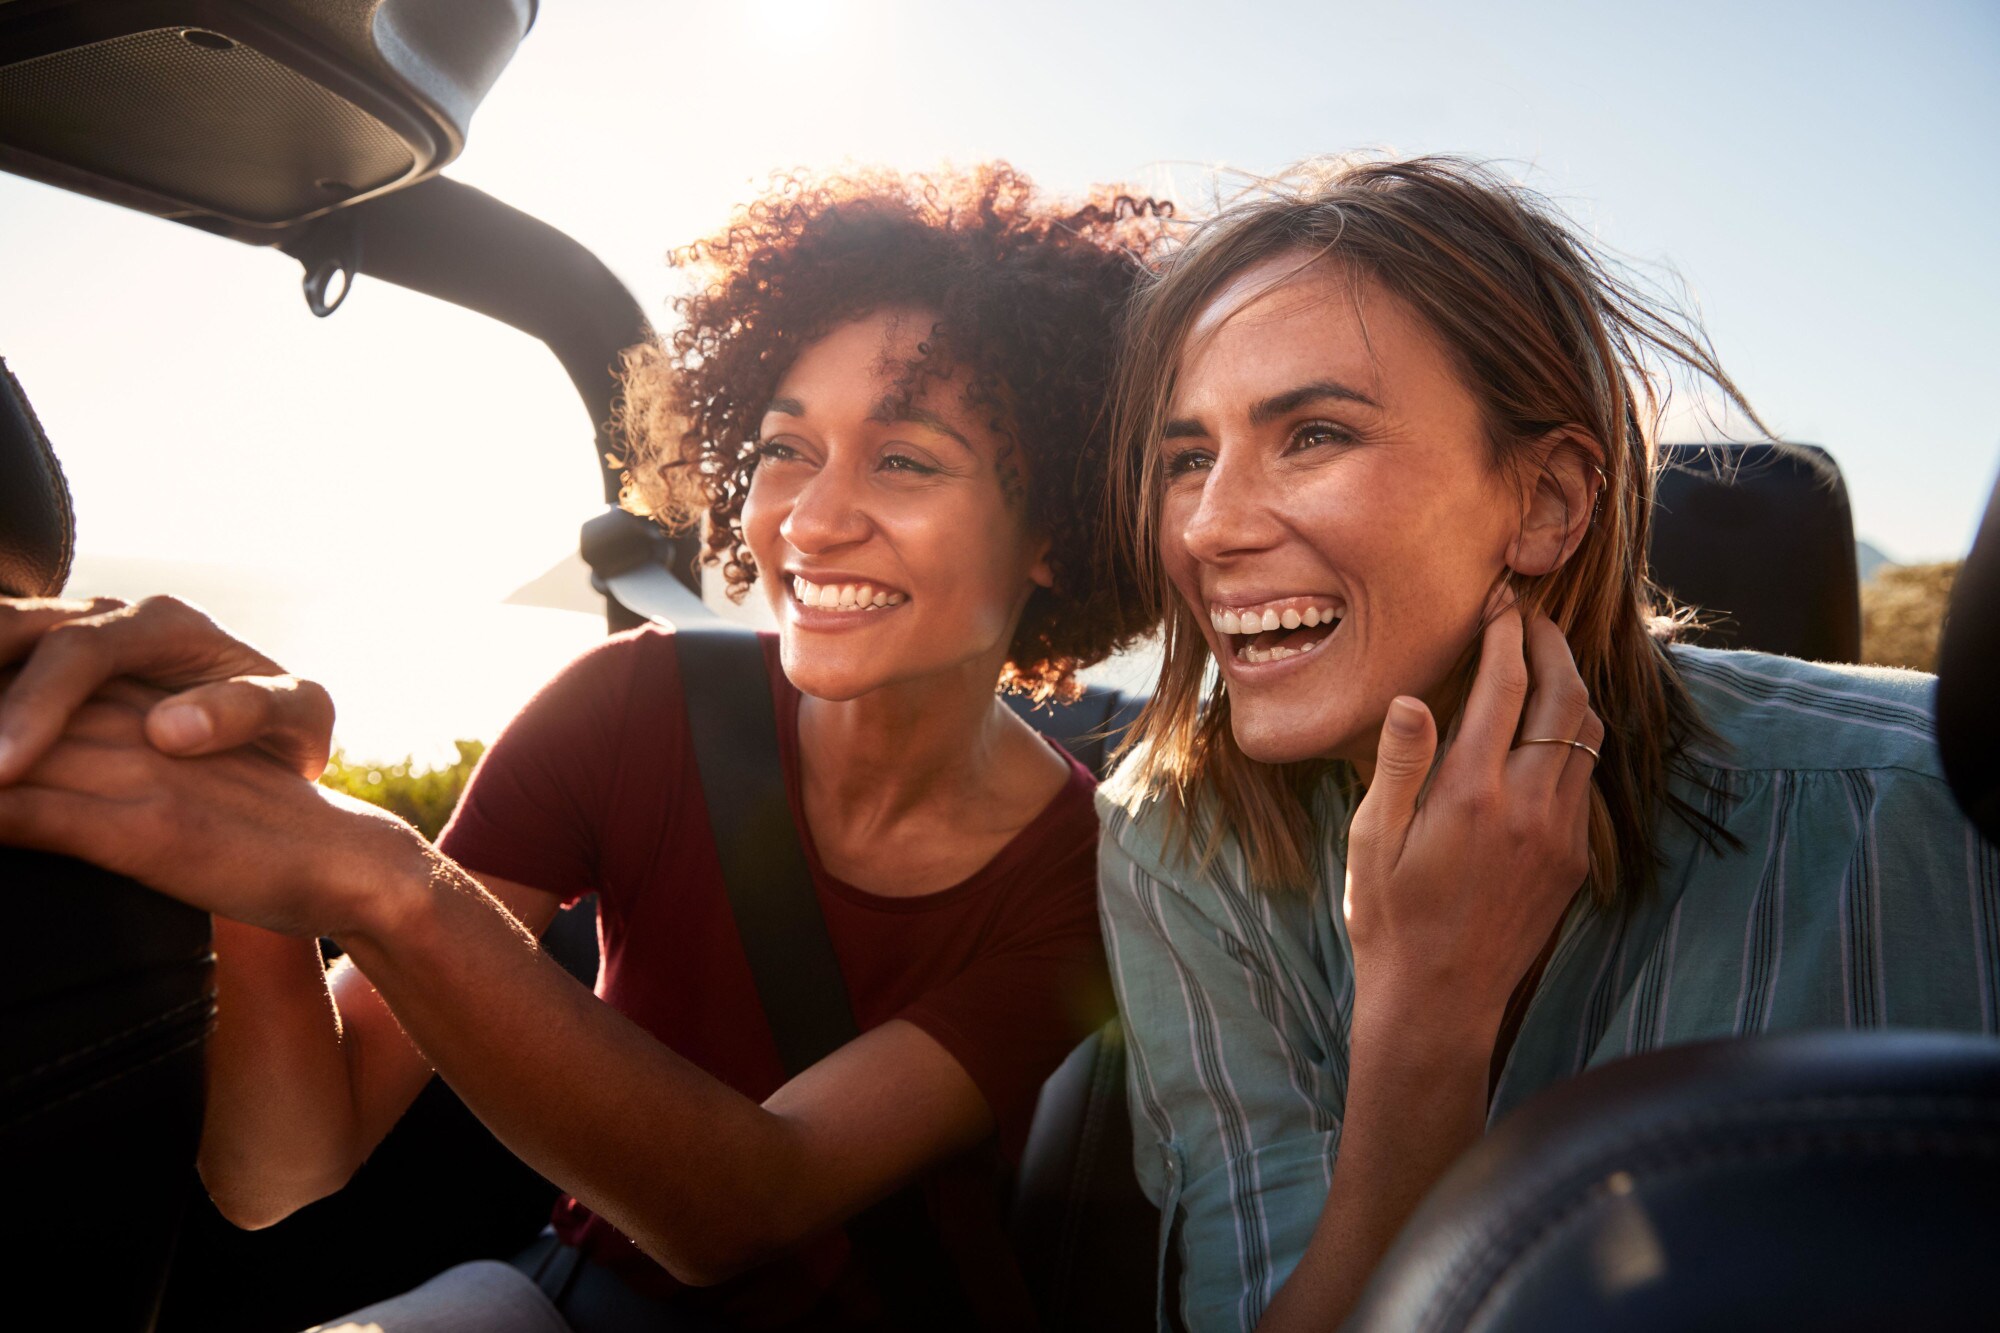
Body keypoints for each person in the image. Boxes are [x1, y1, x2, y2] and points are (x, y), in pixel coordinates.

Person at [0, 163, 1167, 1331]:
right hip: (581, 1294)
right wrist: (255, 847)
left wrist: (381, 877)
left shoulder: (1087, 873)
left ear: (1055, 530)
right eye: (784, 448)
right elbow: (279, 1173)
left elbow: (751, 1205)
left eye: (903, 459)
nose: (809, 522)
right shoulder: (630, 705)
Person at [1094, 155, 2000, 1333]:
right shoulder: (1175, 839)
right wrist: (1424, 1030)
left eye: (1312, 434)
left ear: (1546, 504)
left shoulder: (1934, 811)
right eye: (1186, 459)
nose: (1208, 526)